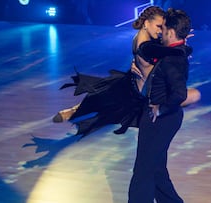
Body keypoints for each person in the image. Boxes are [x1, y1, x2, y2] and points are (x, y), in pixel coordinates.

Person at [54, 6, 200, 137]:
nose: (161, 31)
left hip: (134, 84)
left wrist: (178, 38)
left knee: (101, 98)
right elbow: (166, 51)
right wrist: (181, 42)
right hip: (145, 92)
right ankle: (73, 111)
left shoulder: (146, 39)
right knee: (193, 95)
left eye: (163, 28)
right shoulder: (145, 45)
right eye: (158, 26)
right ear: (146, 23)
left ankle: (73, 111)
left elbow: (164, 51)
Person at [128, 8, 191, 203]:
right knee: (155, 168)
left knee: (143, 172)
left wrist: (160, 108)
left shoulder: (173, 59)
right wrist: (183, 46)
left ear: (170, 32)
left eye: (163, 28)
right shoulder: (173, 53)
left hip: (160, 118)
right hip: (162, 117)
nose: (160, 32)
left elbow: (180, 93)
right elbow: (149, 49)